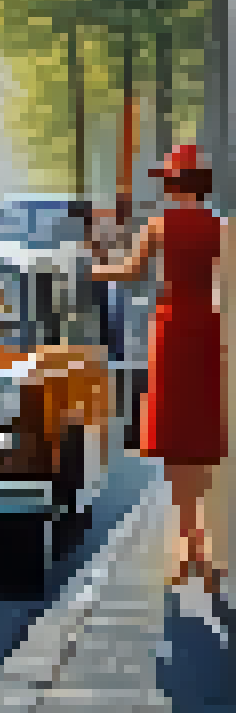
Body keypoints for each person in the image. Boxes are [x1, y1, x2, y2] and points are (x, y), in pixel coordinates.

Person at [92, 145, 225, 593]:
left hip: (170, 329)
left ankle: (186, 545)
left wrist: (94, 268)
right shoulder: (220, 227)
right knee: (202, 439)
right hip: (206, 328)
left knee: (174, 439)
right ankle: (200, 543)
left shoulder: (161, 224)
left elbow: (130, 272)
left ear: (173, 184)